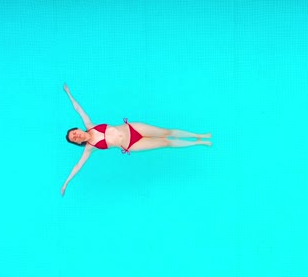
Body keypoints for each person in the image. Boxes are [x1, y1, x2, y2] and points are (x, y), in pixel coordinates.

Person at [61, 83, 211, 196]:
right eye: (74, 139)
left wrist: (69, 93)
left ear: (78, 129)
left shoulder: (89, 124)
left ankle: (200, 135)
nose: (76, 136)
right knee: (166, 143)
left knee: (166, 132)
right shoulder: (89, 147)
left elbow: (78, 109)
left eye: (74, 133)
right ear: (78, 143)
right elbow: (77, 166)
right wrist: (66, 183)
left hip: (132, 128)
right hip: (131, 144)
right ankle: (198, 142)